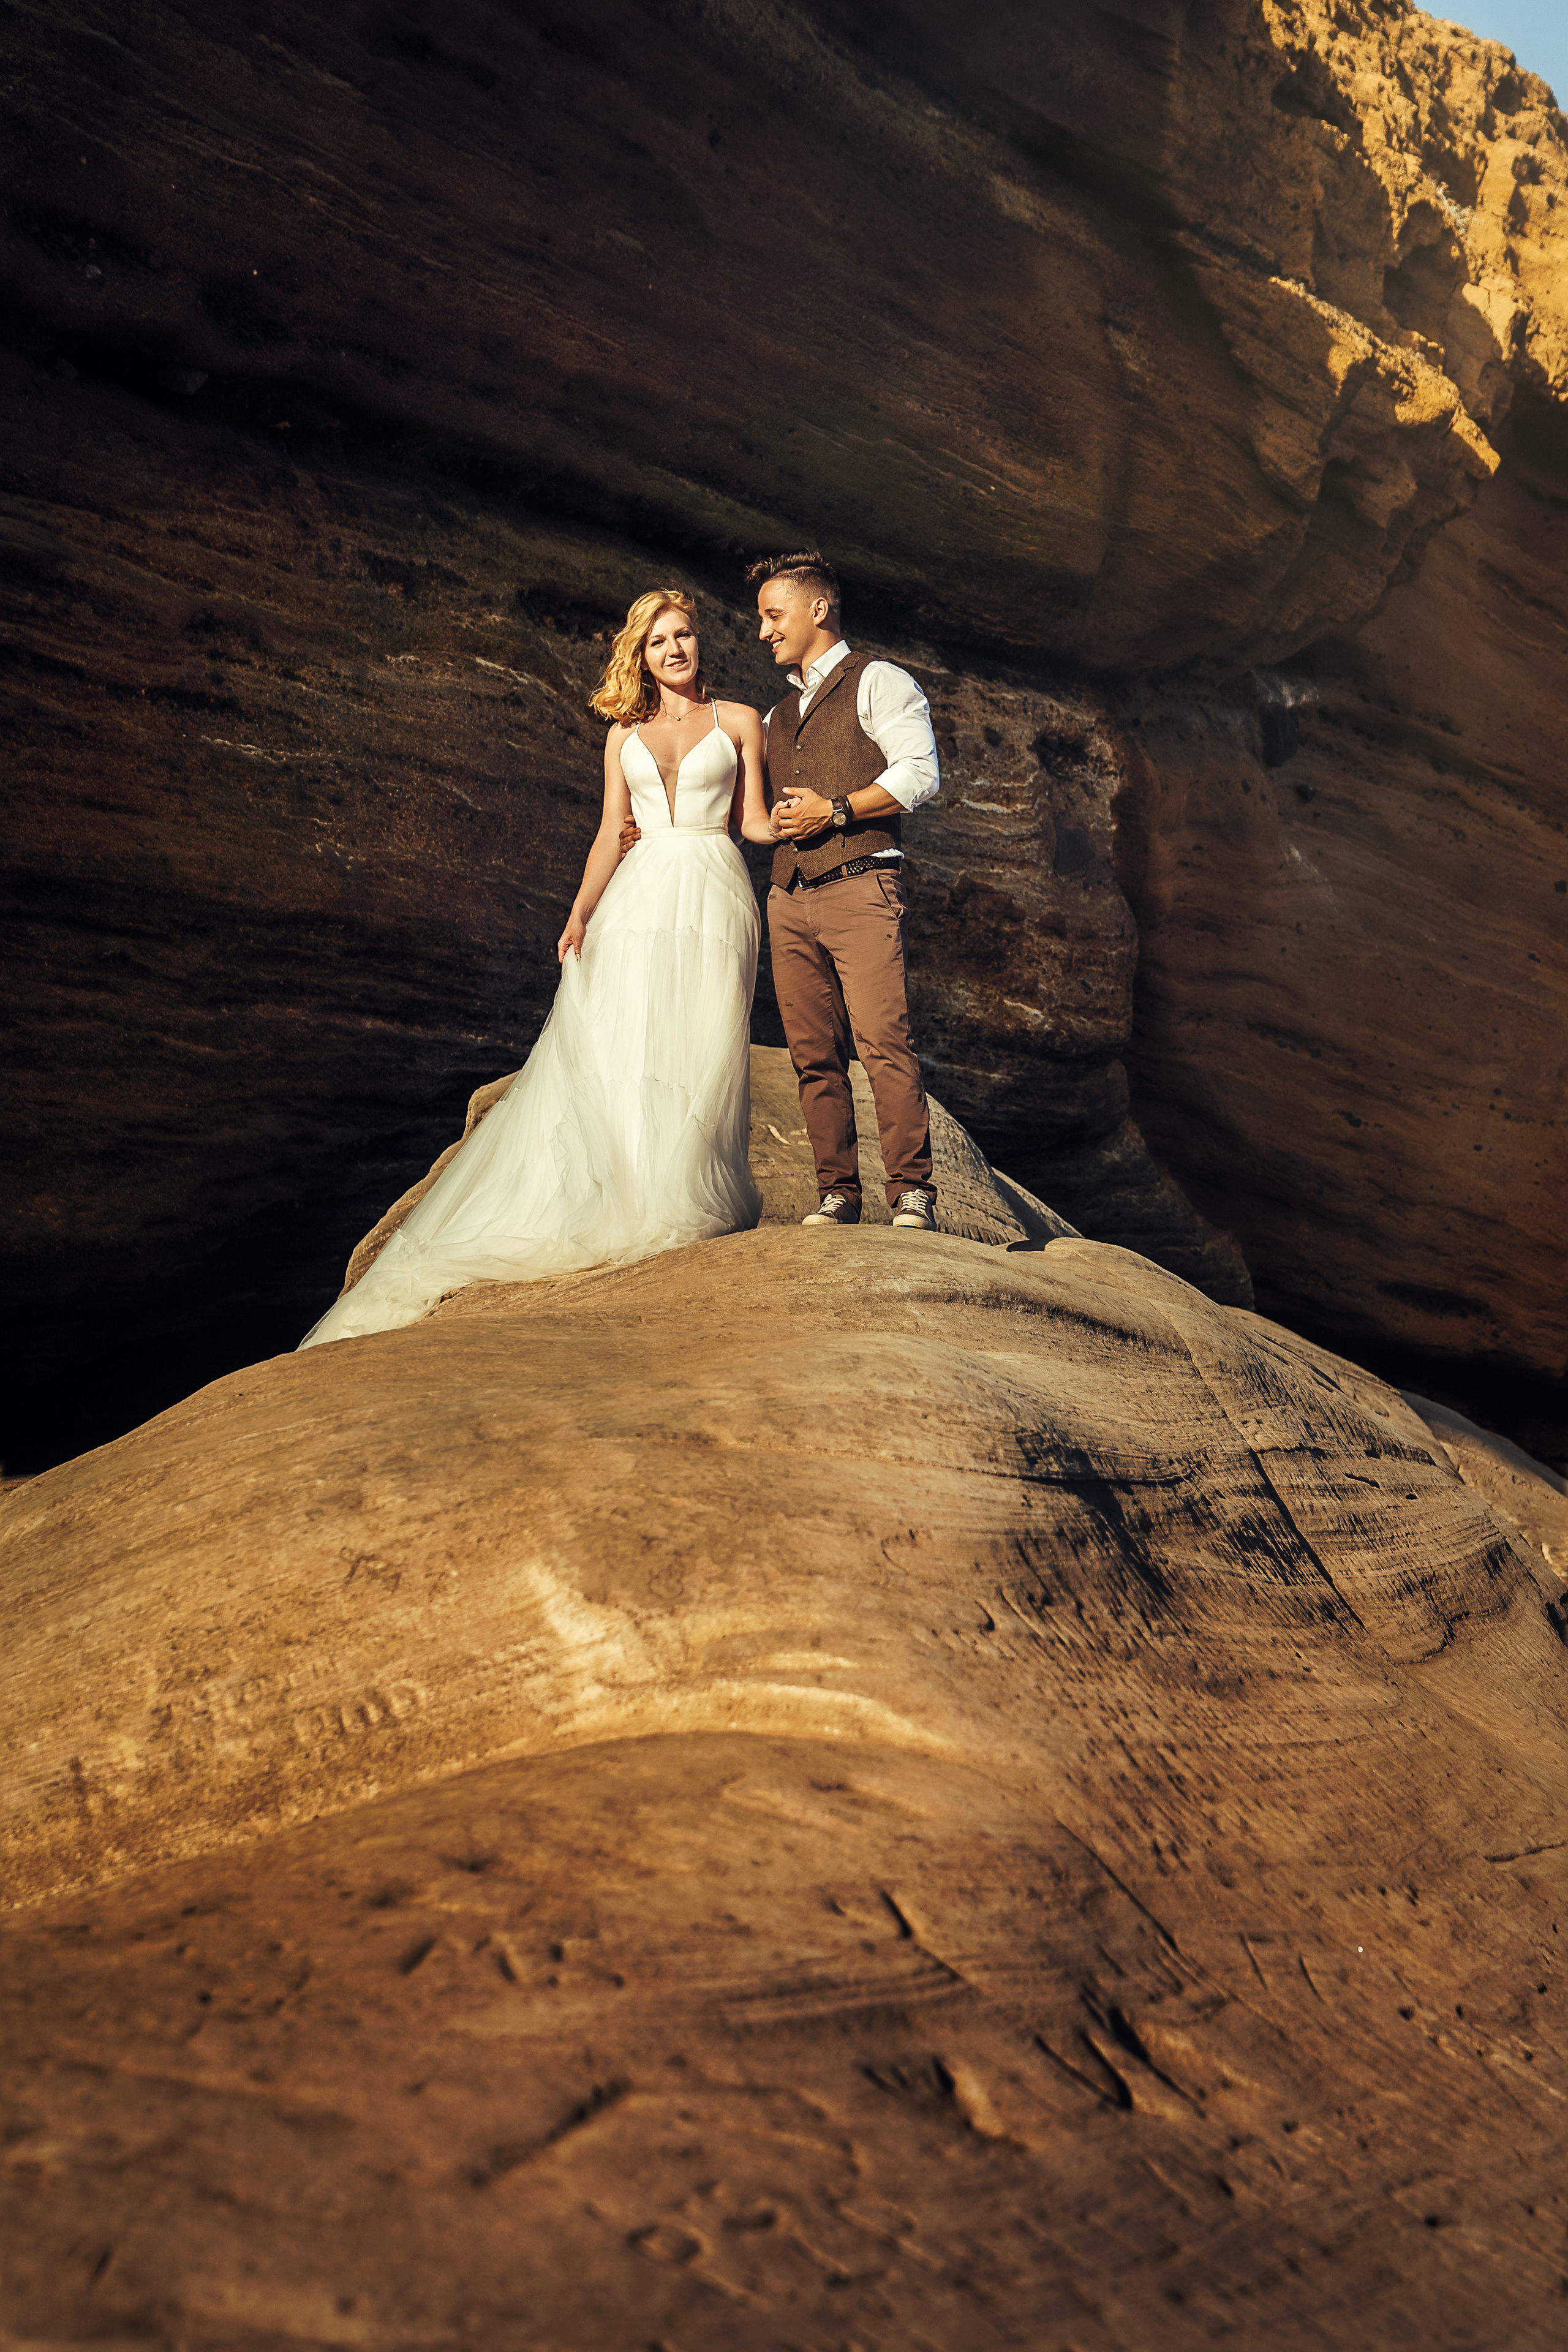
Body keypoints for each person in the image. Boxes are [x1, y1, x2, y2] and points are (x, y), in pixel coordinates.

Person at [298, 589, 774, 1348]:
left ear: (699, 644)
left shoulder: (742, 721)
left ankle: (683, 1190)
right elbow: (606, 835)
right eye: (658, 643)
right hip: (638, 891)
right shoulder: (621, 735)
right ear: (642, 658)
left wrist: (823, 817)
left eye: (683, 635)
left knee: (705, 1038)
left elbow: (752, 823)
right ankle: (639, 1196)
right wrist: (580, 911)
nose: (674, 650)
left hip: (716, 887)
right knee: (626, 1041)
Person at [753, 550, 940, 1230]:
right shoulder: (775, 716)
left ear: (818, 610)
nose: (765, 630)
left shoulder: (879, 680)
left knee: (883, 1041)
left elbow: (919, 774)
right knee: (812, 1055)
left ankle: (910, 1191)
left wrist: (833, 811)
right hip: (789, 897)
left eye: (775, 616)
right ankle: (837, 1192)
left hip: (862, 884)